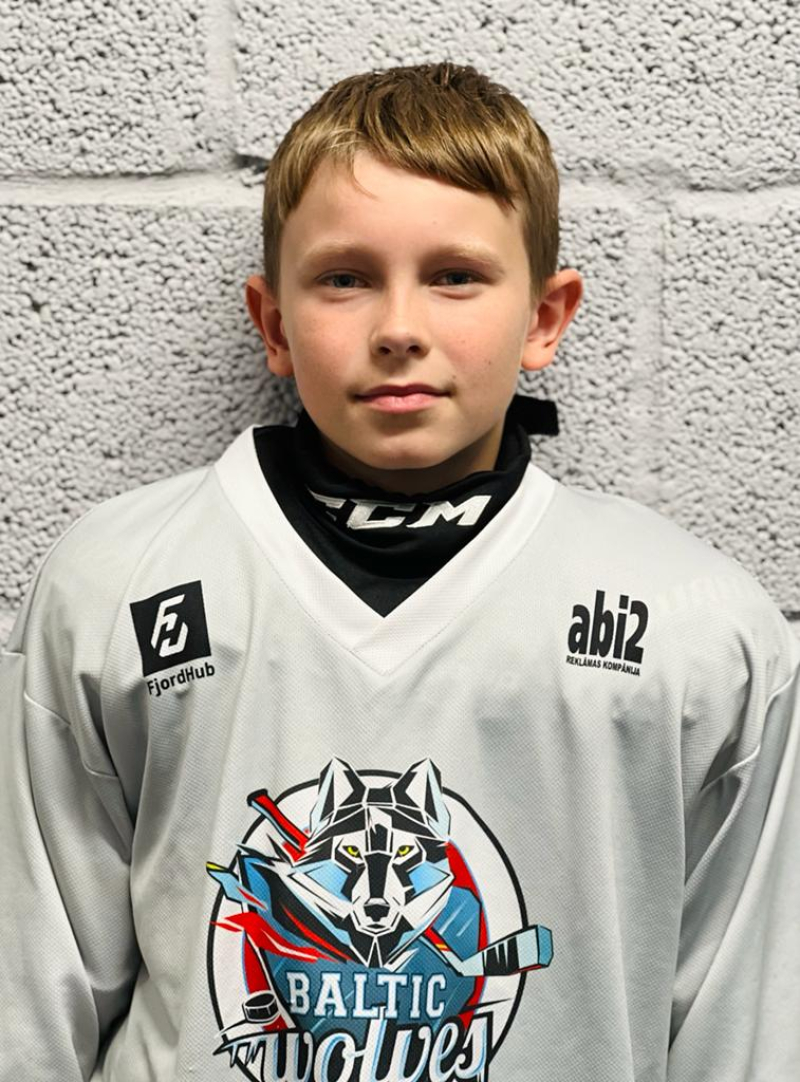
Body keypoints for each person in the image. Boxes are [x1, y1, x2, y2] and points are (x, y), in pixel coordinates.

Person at [1, 60, 798, 1082]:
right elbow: (30, 1003)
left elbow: (745, 1032)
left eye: (455, 275)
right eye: (344, 278)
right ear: (273, 323)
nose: (398, 329)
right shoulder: (113, 584)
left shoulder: (699, 628)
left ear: (545, 317)